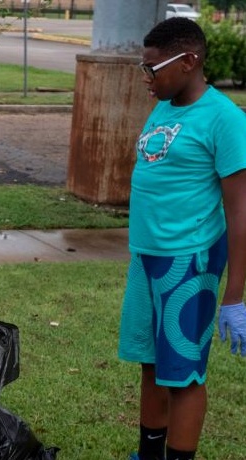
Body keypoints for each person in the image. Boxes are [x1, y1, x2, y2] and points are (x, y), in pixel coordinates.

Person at [119, 17, 246, 460]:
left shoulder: (225, 119)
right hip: (147, 258)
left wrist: (234, 295)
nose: (146, 77)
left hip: (188, 263)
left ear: (189, 61)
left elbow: (239, 210)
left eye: (153, 68)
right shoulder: (165, 105)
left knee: (184, 376)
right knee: (151, 365)